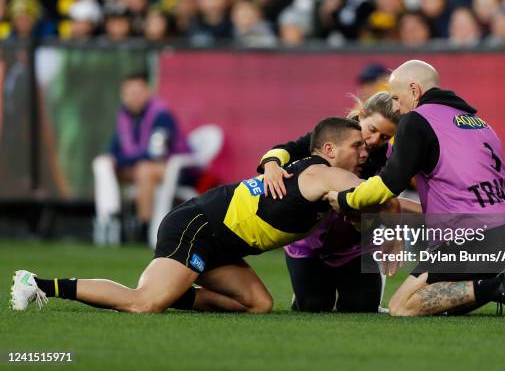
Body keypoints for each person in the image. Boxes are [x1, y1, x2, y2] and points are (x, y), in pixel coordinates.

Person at [11, 117, 396, 314]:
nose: (365, 152)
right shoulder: (323, 172)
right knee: (144, 303)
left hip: (221, 242)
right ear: (329, 149)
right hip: (197, 227)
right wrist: (445, 213)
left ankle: (176, 292)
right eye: (357, 146)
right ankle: (39, 284)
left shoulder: (319, 168)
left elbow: (374, 202)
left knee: (259, 305)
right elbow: (379, 196)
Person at [327, 60, 505, 318]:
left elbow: (389, 183)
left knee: (402, 306)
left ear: (414, 90)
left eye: (395, 97)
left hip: (471, 236)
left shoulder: (417, 120)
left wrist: (346, 199)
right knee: (444, 302)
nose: (395, 106)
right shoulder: (478, 123)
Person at [260, 92, 417, 312]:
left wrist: (393, 233)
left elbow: (390, 201)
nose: (374, 142)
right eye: (371, 130)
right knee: (314, 307)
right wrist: (271, 165)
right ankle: (304, 294)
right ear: (362, 115)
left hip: (356, 244)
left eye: (384, 137)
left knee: (361, 307)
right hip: (310, 243)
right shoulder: (330, 136)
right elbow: (288, 149)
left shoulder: (387, 156)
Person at [92, 72, 190, 245]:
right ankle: (110, 217)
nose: (133, 97)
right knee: (102, 163)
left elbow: (155, 153)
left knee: (144, 169)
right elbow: (113, 149)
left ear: (148, 91)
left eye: (138, 92)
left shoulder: (161, 115)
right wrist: (115, 159)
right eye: (129, 93)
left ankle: (143, 227)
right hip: (138, 166)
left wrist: (121, 159)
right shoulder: (124, 116)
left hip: (173, 168)